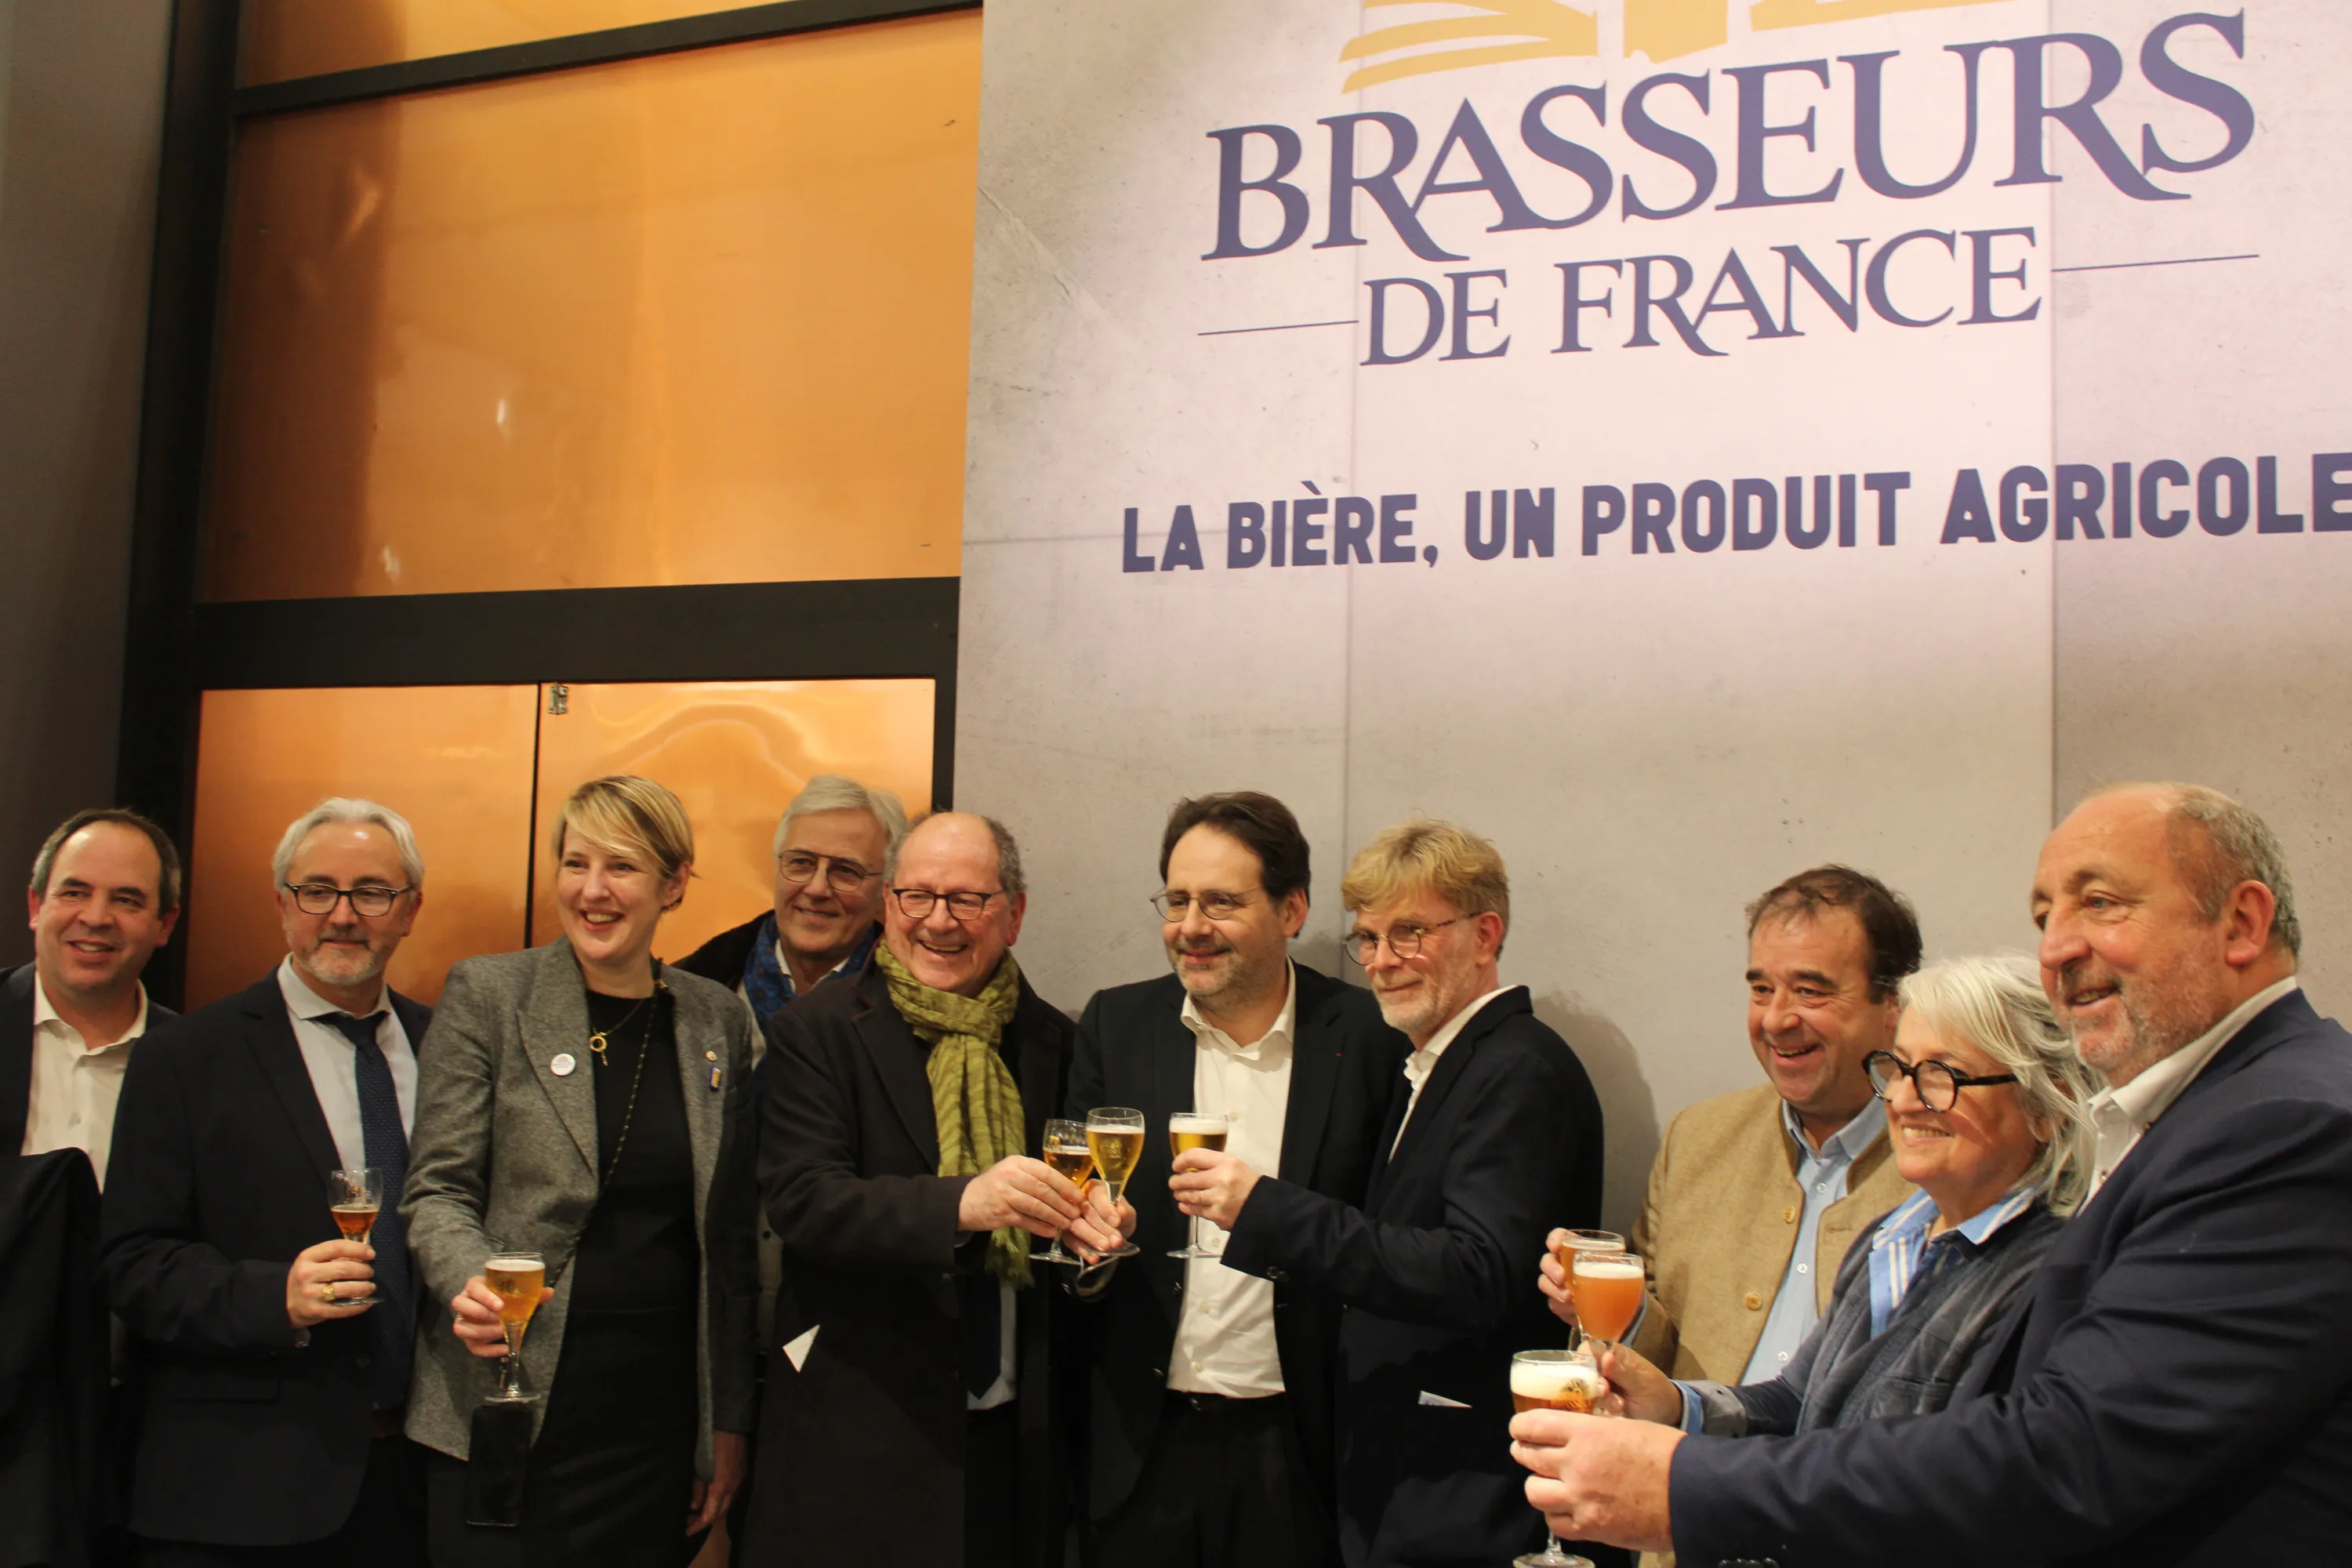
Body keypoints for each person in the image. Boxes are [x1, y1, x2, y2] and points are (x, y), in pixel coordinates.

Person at [1513, 783, 2352, 1566]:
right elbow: (1810, 1401)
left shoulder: (2284, 1124)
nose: (2059, 945)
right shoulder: (1904, 1226)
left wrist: (1686, 1483)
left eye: (2100, 901)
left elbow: (2070, 1451)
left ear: (2242, 922)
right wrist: (1678, 1410)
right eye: (2045, 914)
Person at [1186, 819, 1605, 1568]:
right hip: (1410, 1474)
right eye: (1369, 939)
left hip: (1468, 1488)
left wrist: (1268, 1209)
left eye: (1409, 933)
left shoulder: (1518, 1068)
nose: (1381, 962)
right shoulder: (1435, 1064)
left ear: (1485, 935)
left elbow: (1477, 1272)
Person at [741, 811, 1122, 1568]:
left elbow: (1065, 1237)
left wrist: (1095, 1239)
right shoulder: (816, 1032)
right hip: (861, 1444)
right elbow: (804, 1201)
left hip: (1014, 1449)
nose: (938, 921)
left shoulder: (1054, 1041)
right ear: (888, 906)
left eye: (967, 900)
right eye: (917, 896)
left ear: (1014, 914)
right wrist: (962, 1205)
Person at [403, 775, 758, 1566]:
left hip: (655, 1422)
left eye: (621, 866)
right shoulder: (491, 995)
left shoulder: (716, 1018)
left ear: (673, 883)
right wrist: (471, 1279)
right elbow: (437, 1189)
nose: (592, 890)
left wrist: (725, 1422)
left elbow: (729, 1243)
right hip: (508, 1401)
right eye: (576, 863)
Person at [1067, 791, 1412, 1567]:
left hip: (1303, 1447)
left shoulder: (1368, 1036)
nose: (1191, 926)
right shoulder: (1116, 1025)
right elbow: (1073, 1220)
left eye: (1221, 902)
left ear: (1293, 910)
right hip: (1141, 1446)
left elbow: (1390, 1237)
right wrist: (1088, 1239)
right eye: (1177, 900)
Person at [100, 799, 434, 1564]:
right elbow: (130, 1262)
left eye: (372, 892)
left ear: (411, 910)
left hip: (413, 1488)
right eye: (317, 890)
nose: (342, 915)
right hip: (239, 1491)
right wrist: (270, 1294)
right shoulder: (185, 1057)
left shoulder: (446, 1044)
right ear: (282, 903)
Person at [1601, 955, 2093, 1437]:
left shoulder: (2054, 1275)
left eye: (1942, 1074)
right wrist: (1676, 1404)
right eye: (1899, 1068)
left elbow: (1911, 1471)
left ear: (2049, 1107)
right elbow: (1802, 1399)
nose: (1902, 1100)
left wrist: (1684, 1472)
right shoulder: (1896, 1233)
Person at [1541, 867, 1919, 1389]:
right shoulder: (1697, 1139)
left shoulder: (1945, 1161)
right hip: (1683, 1444)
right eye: (1762, 989)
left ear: (1893, 1004)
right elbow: (1657, 1362)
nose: (1775, 1020)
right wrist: (1611, 1309)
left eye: (1810, 991)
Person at [5, 809, 183, 1185]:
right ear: (36, 907)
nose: (96, 917)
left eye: (126, 900)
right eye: (75, 893)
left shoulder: (198, 1063)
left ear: (164, 925)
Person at [673, 773, 906, 1027]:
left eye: (846, 871)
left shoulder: (916, 1010)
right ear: (777, 867)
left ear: (886, 891)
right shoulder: (683, 992)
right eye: (801, 862)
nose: (817, 889)